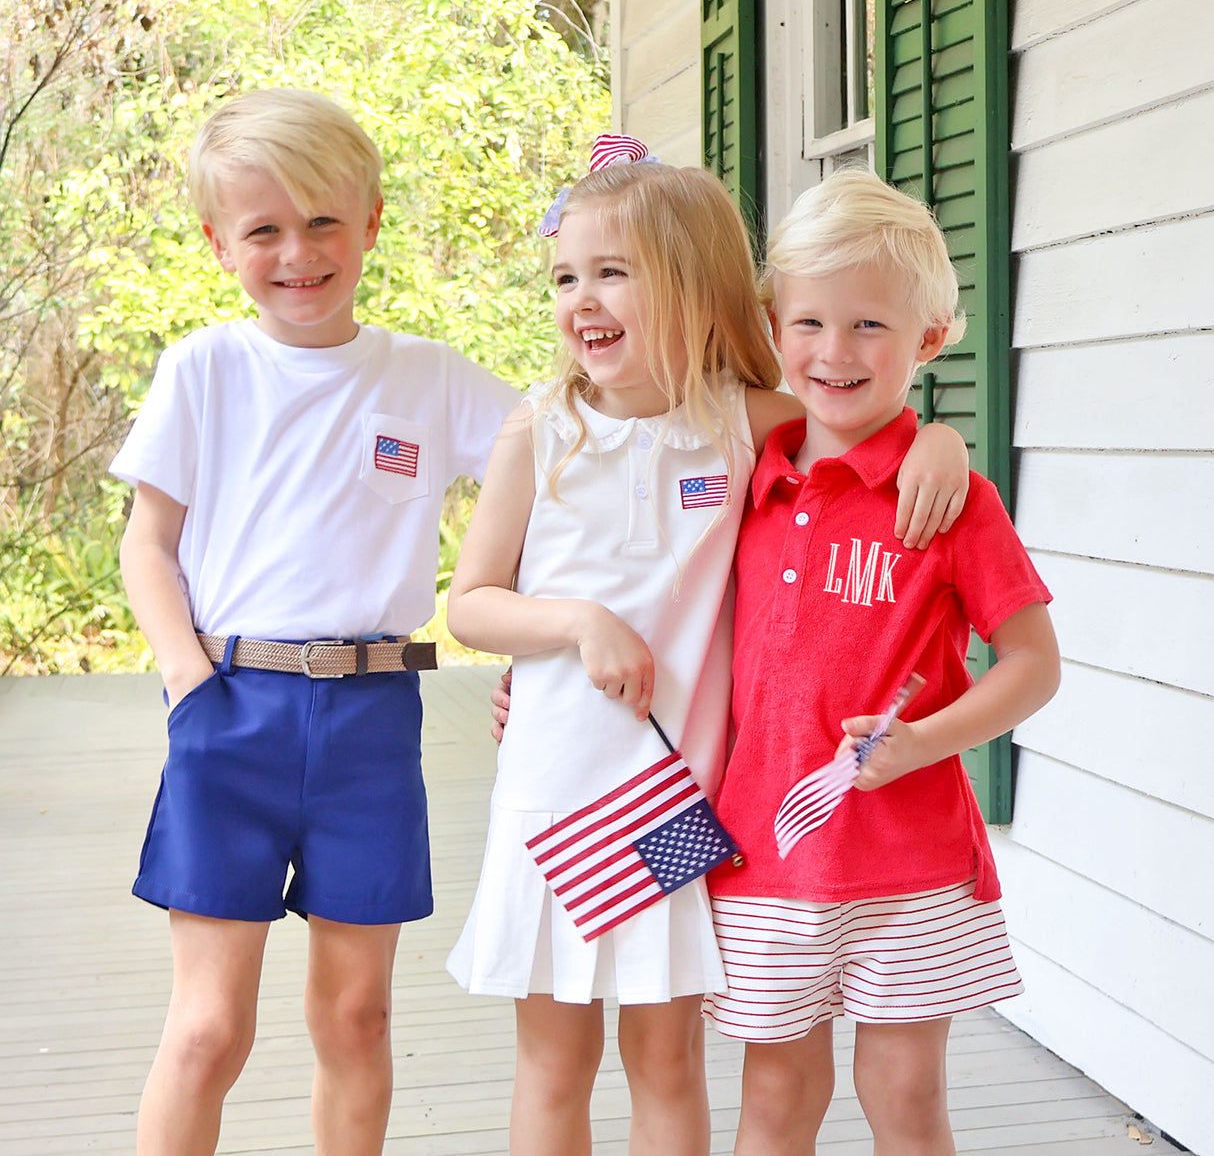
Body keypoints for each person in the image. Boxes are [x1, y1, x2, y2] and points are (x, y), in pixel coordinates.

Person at [442, 148, 972, 1156]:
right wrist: (575, 621)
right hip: (547, 791)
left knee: (667, 1057)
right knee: (551, 1059)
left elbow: (867, 427)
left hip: (681, 796)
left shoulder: (740, 423)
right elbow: (469, 604)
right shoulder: (538, 429)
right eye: (565, 277)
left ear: (691, 284)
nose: (581, 299)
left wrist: (937, 441)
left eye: (612, 272)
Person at [110, 88, 518, 1156]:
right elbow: (146, 545)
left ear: (371, 219)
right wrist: (188, 682)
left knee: (356, 1015)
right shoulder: (205, 369)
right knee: (208, 1027)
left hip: (371, 719)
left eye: (324, 221)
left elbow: (580, 449)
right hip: (229, 710)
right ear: (219, 242)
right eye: (264, 230)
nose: (298, 251)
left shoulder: (429, 378)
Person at [702, 168, 1061, 1156]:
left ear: (928, 338)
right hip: (762, 853)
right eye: (809, 322)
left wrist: (923, 740)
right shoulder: (740, 479)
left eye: (869, 325)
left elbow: (1030, 663)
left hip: (910, 862)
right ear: (774, 322)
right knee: (773, 1103)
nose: (834, 350)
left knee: (904, 1097)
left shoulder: (948, 498)